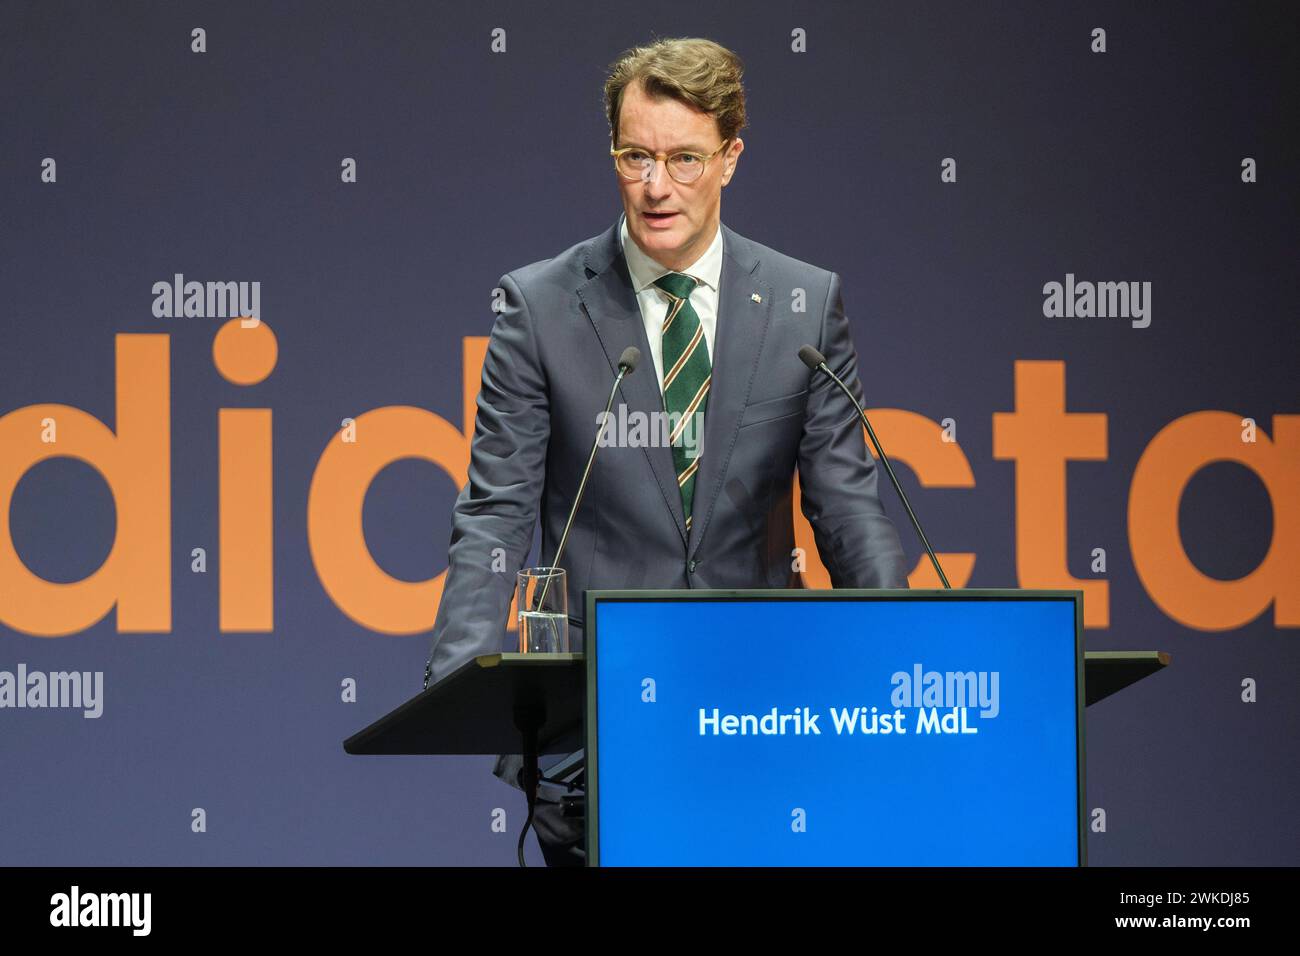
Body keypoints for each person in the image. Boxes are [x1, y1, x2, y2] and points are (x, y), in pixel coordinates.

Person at [423, 37, 909, 867]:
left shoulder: (803, 303)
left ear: (731, 158)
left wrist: (909, 659)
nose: (657, 187)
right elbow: (498, 507)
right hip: (599, 735)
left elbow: (847, 503)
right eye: (635, 156)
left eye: (685, 158)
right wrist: (465, 678)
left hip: (760, 715)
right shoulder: (539, 308)